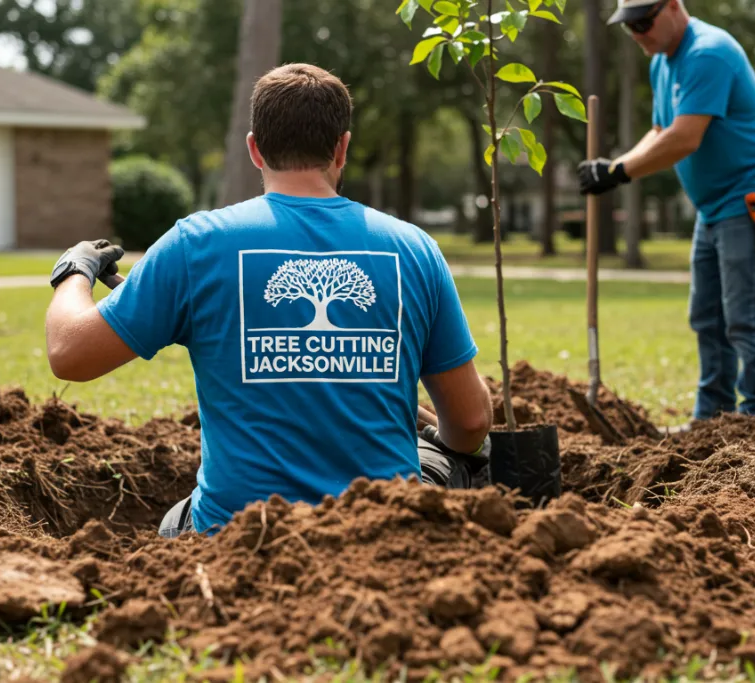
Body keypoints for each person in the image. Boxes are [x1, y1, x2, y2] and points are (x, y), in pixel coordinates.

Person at [44, 63, 494, 537]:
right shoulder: (413, 249)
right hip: (379, 540)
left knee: (172, 526)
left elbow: (69, 354)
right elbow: (469, 421)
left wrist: (74, 271)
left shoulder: (196, 245)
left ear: (255, 149)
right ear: (342, 147)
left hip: (241, 543)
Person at [577, 0, 755, 425]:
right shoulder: (663, 60)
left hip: (754, 201)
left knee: (745, 318)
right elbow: (661, 129)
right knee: (707, 317)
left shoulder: (707, 52)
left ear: (674, 6)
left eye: (644, 21)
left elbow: (684, 138)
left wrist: (618, 173)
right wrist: (611, 166)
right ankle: (710, 420)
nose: (638, 33)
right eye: (630, 26)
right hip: (714, 208)